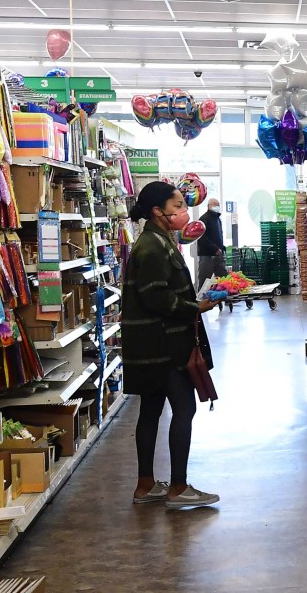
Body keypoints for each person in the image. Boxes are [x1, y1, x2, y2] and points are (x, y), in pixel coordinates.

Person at [122, 181, 220, 509]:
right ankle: (178, 487)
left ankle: (146, 485)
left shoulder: (159, 241)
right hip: (162, 346)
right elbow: (156, 296)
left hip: (150, 346)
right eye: (177, 205)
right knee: (185, 408)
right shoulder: (152, 247)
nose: (183, 211)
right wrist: (197, 307)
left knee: (151, 410)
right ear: (157, 211)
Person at [196, 198, 227, 291]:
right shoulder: (204, 219)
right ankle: (201, 299)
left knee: (223, 277)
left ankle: (227, 296)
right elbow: (202, 237)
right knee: (205, 278)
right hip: (207, 254)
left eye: (218, 204)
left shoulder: (217, 219)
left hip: (218, 253)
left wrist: (222, 248)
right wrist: (214, 248)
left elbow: (218, 235)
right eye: (214, 204)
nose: (217, 206)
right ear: (208, 206)